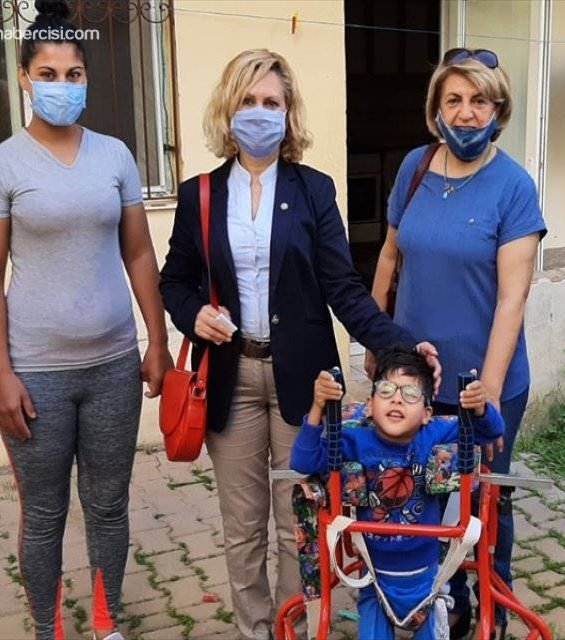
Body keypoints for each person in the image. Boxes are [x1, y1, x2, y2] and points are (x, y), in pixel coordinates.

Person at [159, 49, 439, 640]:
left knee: (301, 523)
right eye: (248, 100)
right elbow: (174, 282)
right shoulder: (200, 194)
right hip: (230, 377)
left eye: (272, 102)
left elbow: (344, 287)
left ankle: (297, 629)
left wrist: (402, 346)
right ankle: (254, 630)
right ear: (228, 108)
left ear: (288, 114)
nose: (259, 113)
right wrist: (194, 316)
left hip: (308, 384)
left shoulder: (313, 190)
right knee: (243, 529)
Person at [0, 2, 172, 639]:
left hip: (113, 366)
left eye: (74, 74)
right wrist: (1, 375)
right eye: (49, 74)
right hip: (36, 374)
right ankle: (47, 627)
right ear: (24, 78)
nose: (63, 85)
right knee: (44, 514)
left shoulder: (115, 156)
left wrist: (157, 340)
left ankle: (107, 622)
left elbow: (139, 254)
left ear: (87, 78)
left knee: (108, 505)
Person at [367, 47, 545, 634]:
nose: (466, 113)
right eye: (454, 100)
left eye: (479, 101)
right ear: (436, 109)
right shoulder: (415, 167)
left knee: (483, 498)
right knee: (418, 493)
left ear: (499, 109)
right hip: (414, 381)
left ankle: (490, 600)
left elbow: (512, 298)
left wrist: (486, 393)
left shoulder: (514, 186)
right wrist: (375, 336)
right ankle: (436, 596)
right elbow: (389, 255)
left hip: (481, 384)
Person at [292, 346, 504, 640]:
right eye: (386, 390)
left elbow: (491, 432)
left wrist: (480, 408)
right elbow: (303, 461)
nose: (397, 399)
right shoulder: (354, 439)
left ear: (427, 413)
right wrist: (317, 407)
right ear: (369, 405)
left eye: (411, 393)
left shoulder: (433, 433)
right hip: (373, 579)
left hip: (429, 581)